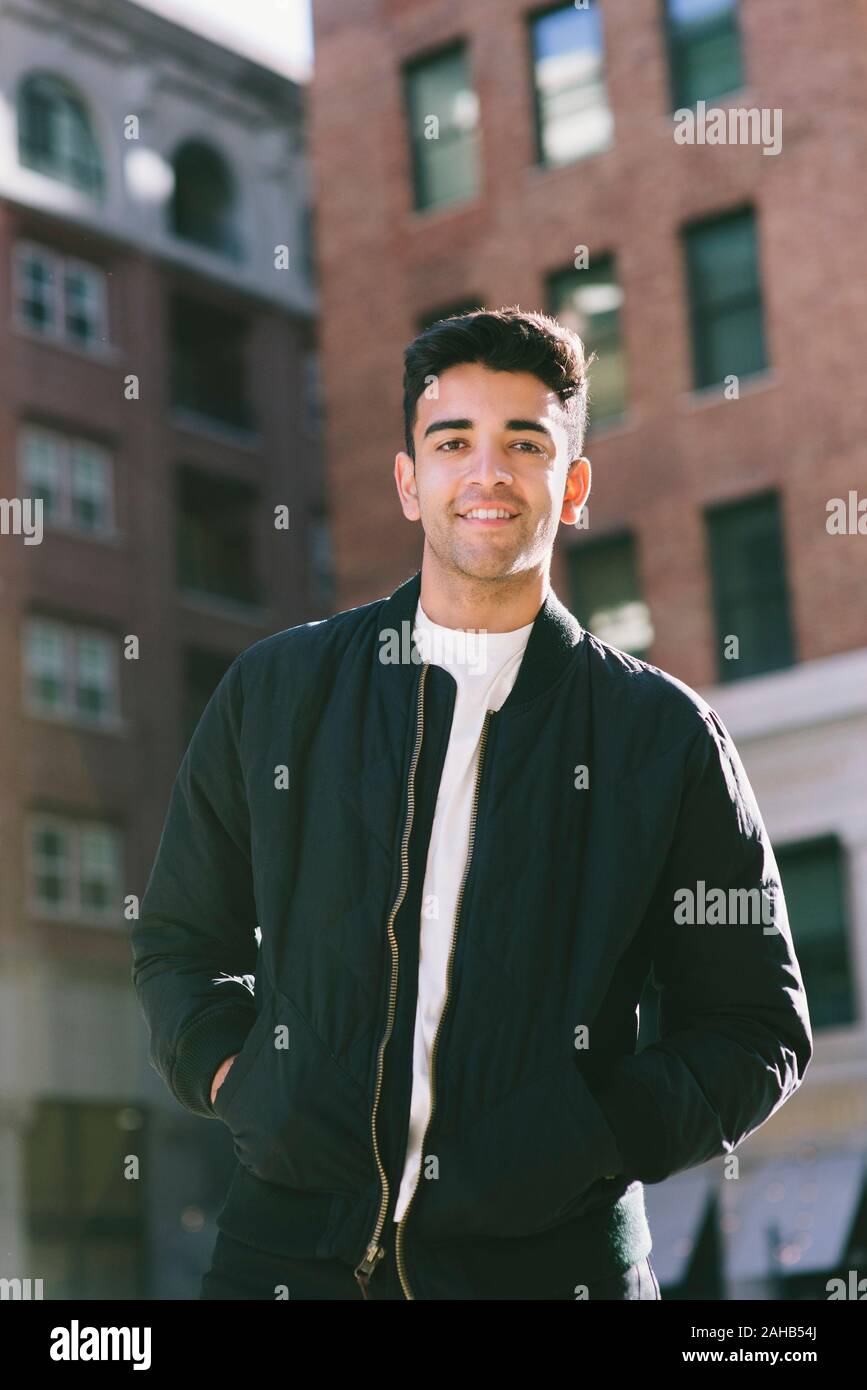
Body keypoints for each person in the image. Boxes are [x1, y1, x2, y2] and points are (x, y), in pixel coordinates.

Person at [131, 307, 813, 1301]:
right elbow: (182, 939)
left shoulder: (657, 735)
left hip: (552, 1271)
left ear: (573, 486)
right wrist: (243, 1082)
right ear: (410, 481)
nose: (486, 472)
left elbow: (757, 1024)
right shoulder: (278, 693)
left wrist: (587, 1137)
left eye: (525, 444)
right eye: (453, 442)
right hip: (284, 1260)